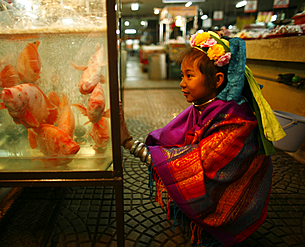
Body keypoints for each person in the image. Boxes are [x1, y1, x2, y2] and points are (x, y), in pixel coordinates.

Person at [120, 31, 286, 246]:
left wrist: (129, 143)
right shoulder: (204, 107)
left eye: (189, 76)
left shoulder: (235, 123)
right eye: (182, 76)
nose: (182, 83)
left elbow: (191, 165)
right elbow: (172, 139)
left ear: (217, 80)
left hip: (235, 198)